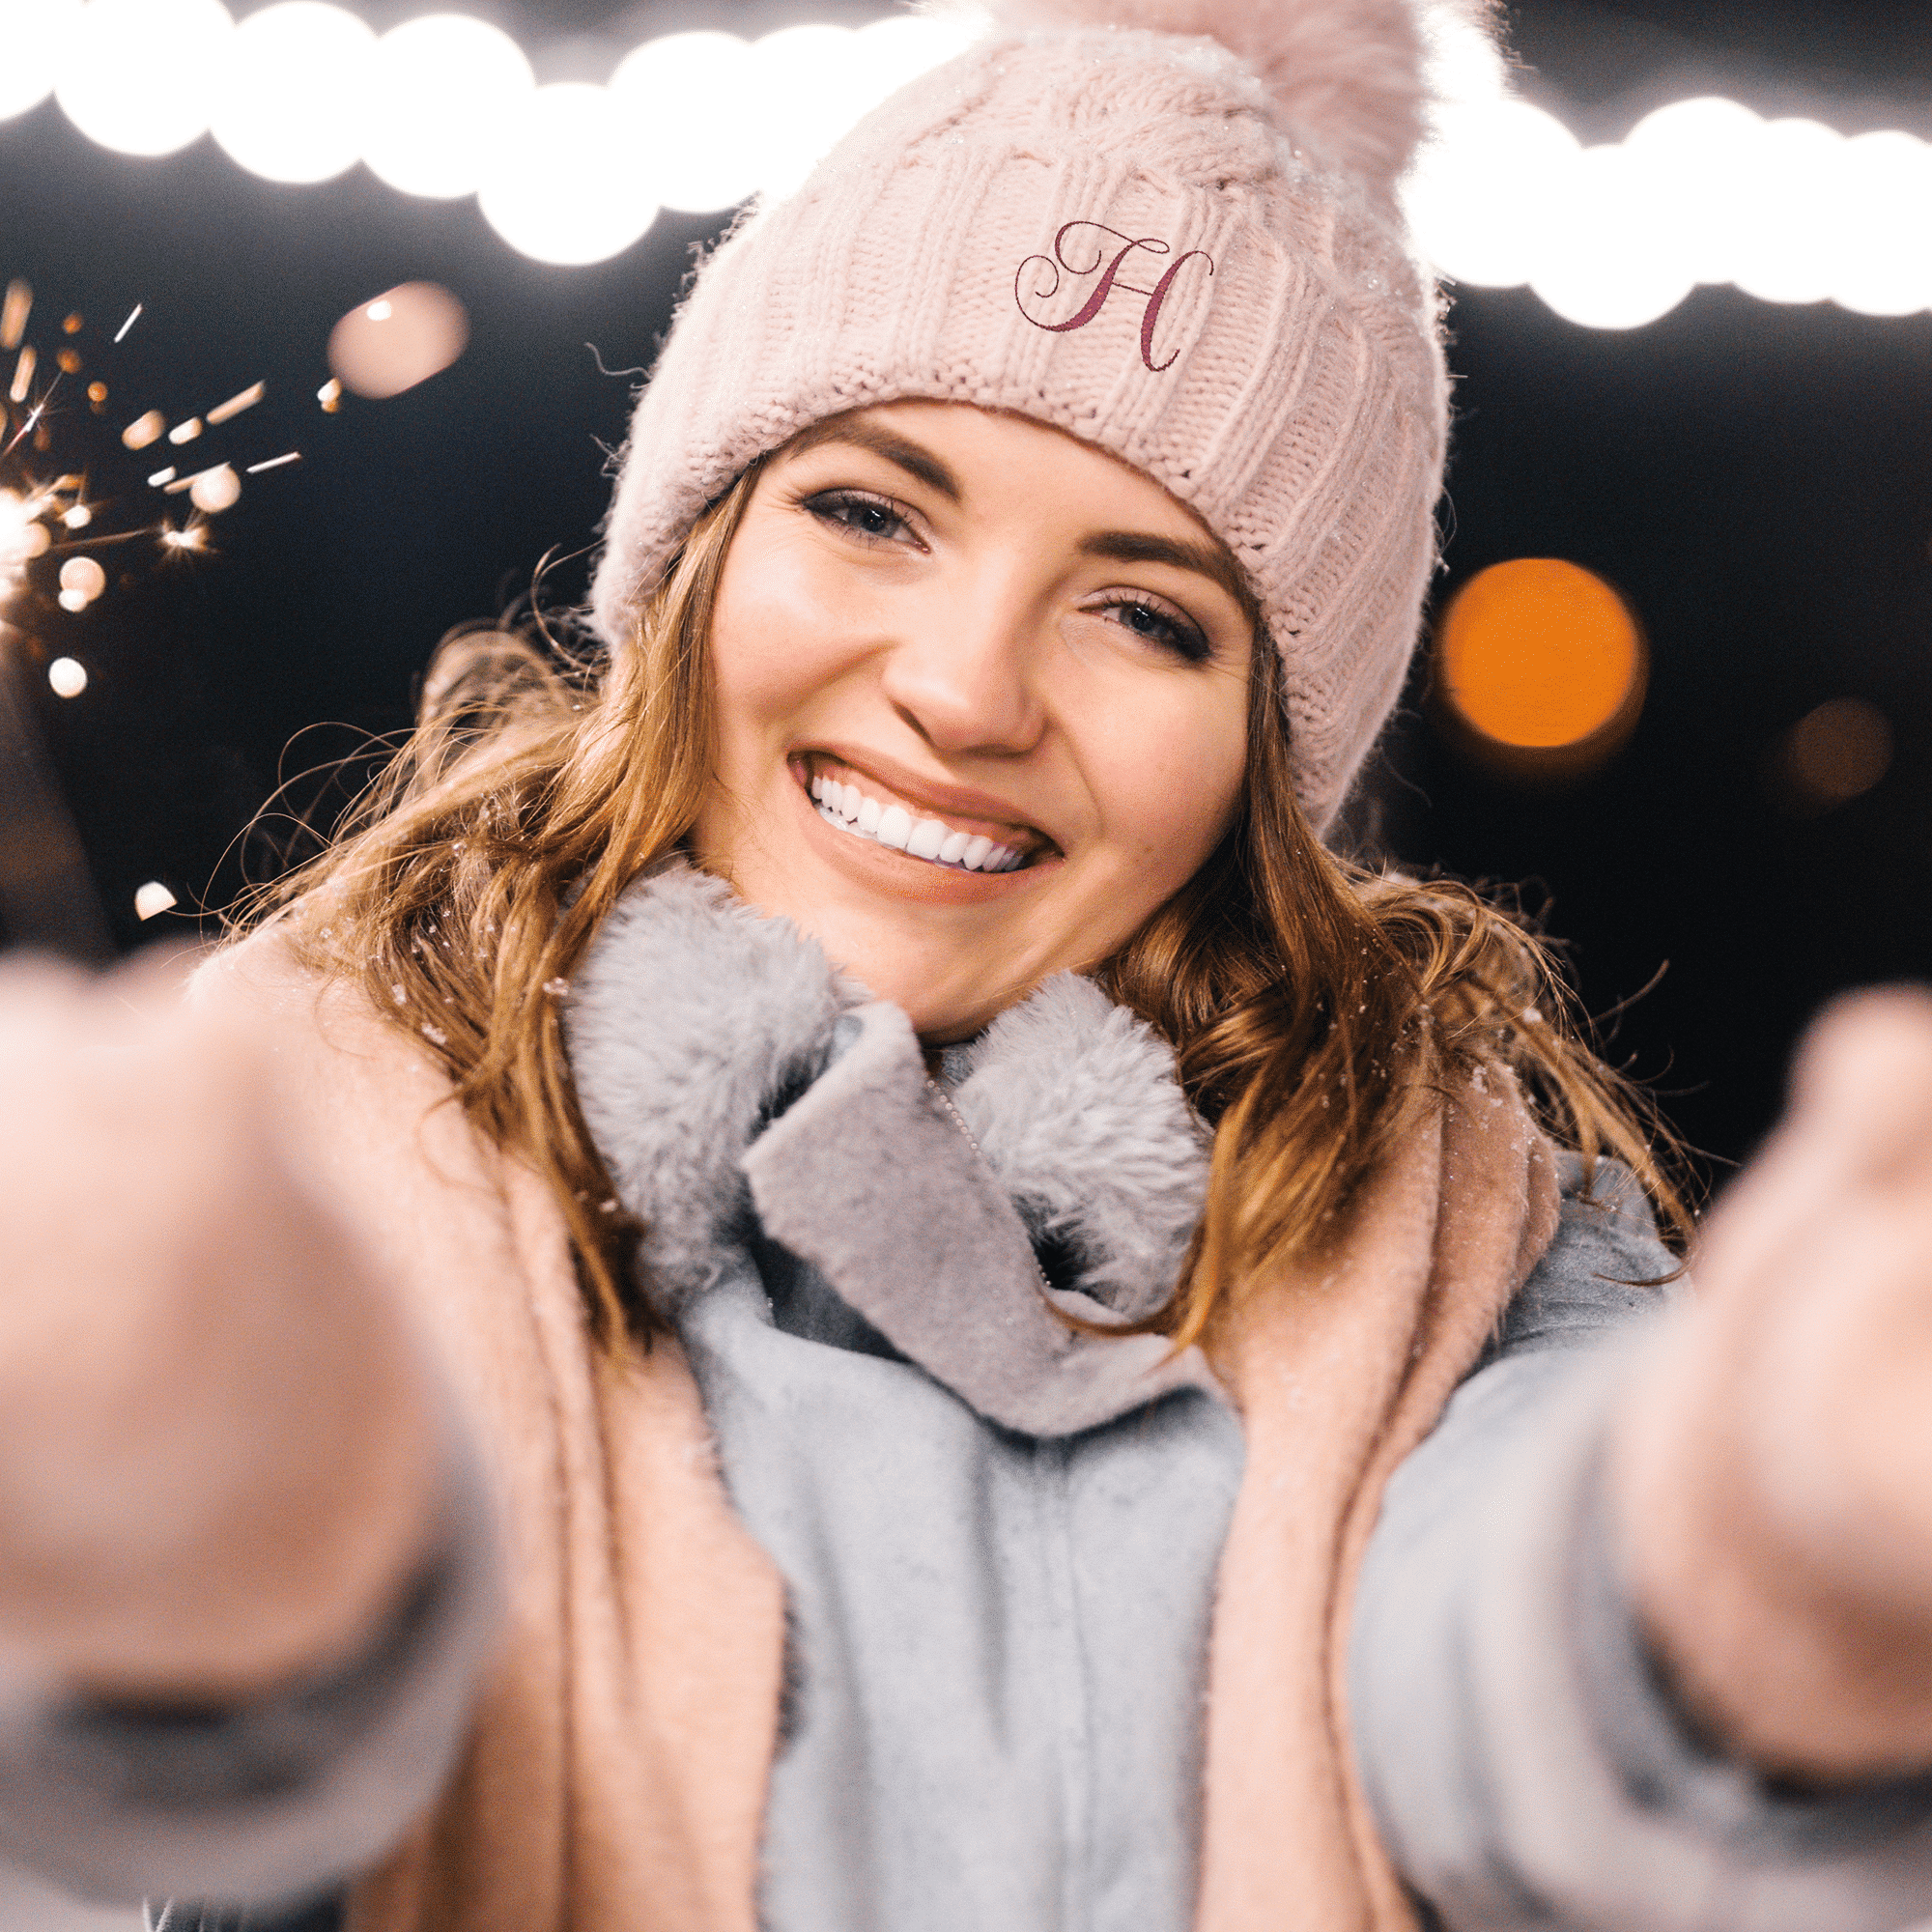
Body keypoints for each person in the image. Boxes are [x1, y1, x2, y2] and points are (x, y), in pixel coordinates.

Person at [4, 1, 1932, 1928]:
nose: (961, 689)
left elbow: (1520, 1655)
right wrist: (195, 1519)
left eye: (1142, 614)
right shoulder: (305, 1140)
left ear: (1269, 745)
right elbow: (204, 1770)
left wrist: (1762, 1546)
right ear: (695, 550)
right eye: (867, 511)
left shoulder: (1453, 1230)